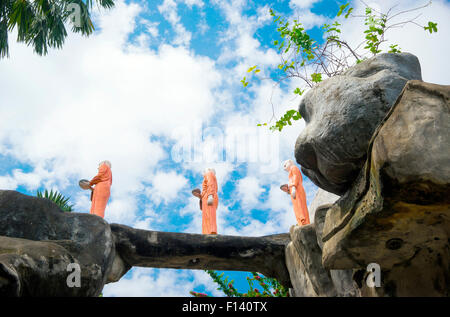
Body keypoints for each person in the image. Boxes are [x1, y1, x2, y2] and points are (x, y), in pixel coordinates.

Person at [281, 159, 310, 226]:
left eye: (285, 164)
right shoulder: (290, 171)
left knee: (300, 205)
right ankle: (300, 221)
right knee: (296, 207)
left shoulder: (293, 168)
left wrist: (293, 187)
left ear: (290, 163)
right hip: (293, 190)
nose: (284, 166)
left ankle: (304, 221)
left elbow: (295, 176)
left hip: (297, 189)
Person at [199, 167, 219, 234]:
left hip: (209, 196)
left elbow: (210, 184)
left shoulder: (209, 174)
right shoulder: (209, 176)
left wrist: (210, 196)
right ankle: (207, 231)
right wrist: (200, 196)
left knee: (209, 215)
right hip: (206, 197)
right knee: (207, 216)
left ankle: (211, 231)